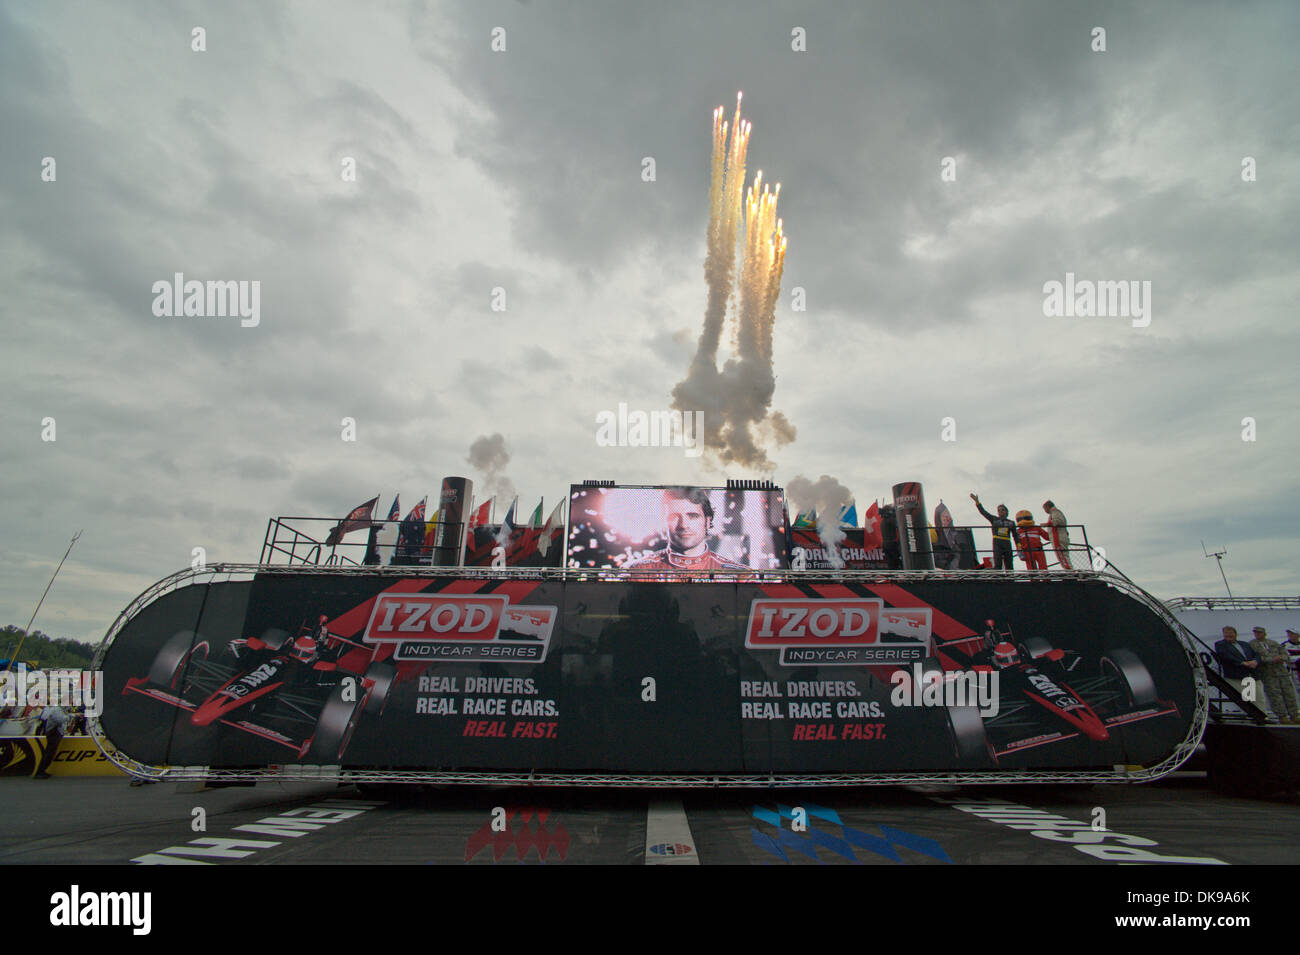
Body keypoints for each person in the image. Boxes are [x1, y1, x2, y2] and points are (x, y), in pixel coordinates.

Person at [626, 487, 748, 571]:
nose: (683, 525)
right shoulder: (637, 571)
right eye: (674, 517)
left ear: (707, 521)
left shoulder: (737, 575)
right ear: (663, 522)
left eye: (693, 516)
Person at [1249, 626, 1299, 723]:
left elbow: (1285, 654)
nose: (1258, 634)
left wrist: (1281, 657)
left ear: (1264, 633)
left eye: (1260, 632)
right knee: (1275, 696)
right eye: (1256, 633)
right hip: (1268, 673)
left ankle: (1294, 715)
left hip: (1282, 672)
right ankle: (1282, 716)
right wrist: (1271, 659)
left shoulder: (1273, 642)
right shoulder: (1252, 644)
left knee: (1289, 694)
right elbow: (1256, 658)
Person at [1214, 625, 1259, 709]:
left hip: (1251, 674)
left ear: (1235, 634)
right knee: (1245, 699)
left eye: (1231, 633)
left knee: (1257, 698)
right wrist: (1242, 663)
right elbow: (1225, 656)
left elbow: (1256, 655)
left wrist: (1255, 661)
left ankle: (1263, 716)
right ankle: (1250, 715)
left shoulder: (1244, 644)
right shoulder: (1220, 644)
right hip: (1236, 676)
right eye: (1226, 633)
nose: (1229, 635)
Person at [971, 494, 1019, 570]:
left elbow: (1015, 536)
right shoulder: (994, 519)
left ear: (1006, 512)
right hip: (997, 542)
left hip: (1007, 542)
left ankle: (1011, 580)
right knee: (998, 562)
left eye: (1002, 510)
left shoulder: (1011, 523)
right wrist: (977, 502)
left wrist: (1018, 546)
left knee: (1009, 562)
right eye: (999, 510)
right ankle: (998, 579)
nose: (1000, 512)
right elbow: (983, 512)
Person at [32, 704, 69, 779]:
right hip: (53, 733)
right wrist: (70, 716)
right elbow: (60, 719)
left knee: (49, 753)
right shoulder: (57, 710)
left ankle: (41, 771)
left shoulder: (59, 709)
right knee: (49, 753)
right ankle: (40, 772)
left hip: (54, 733)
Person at [1042, 500, 1071, 569]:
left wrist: (1046, 524)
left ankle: (1069, 571)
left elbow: (1058, 521)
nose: (1045, 511)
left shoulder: (1055, 512)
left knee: (1062, 556)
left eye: (1044, 509)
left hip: (1057, 538)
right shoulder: (1055, 512)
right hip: (1059, 537)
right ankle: (1068, 569)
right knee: (1063, 555)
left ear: (1047, 507)